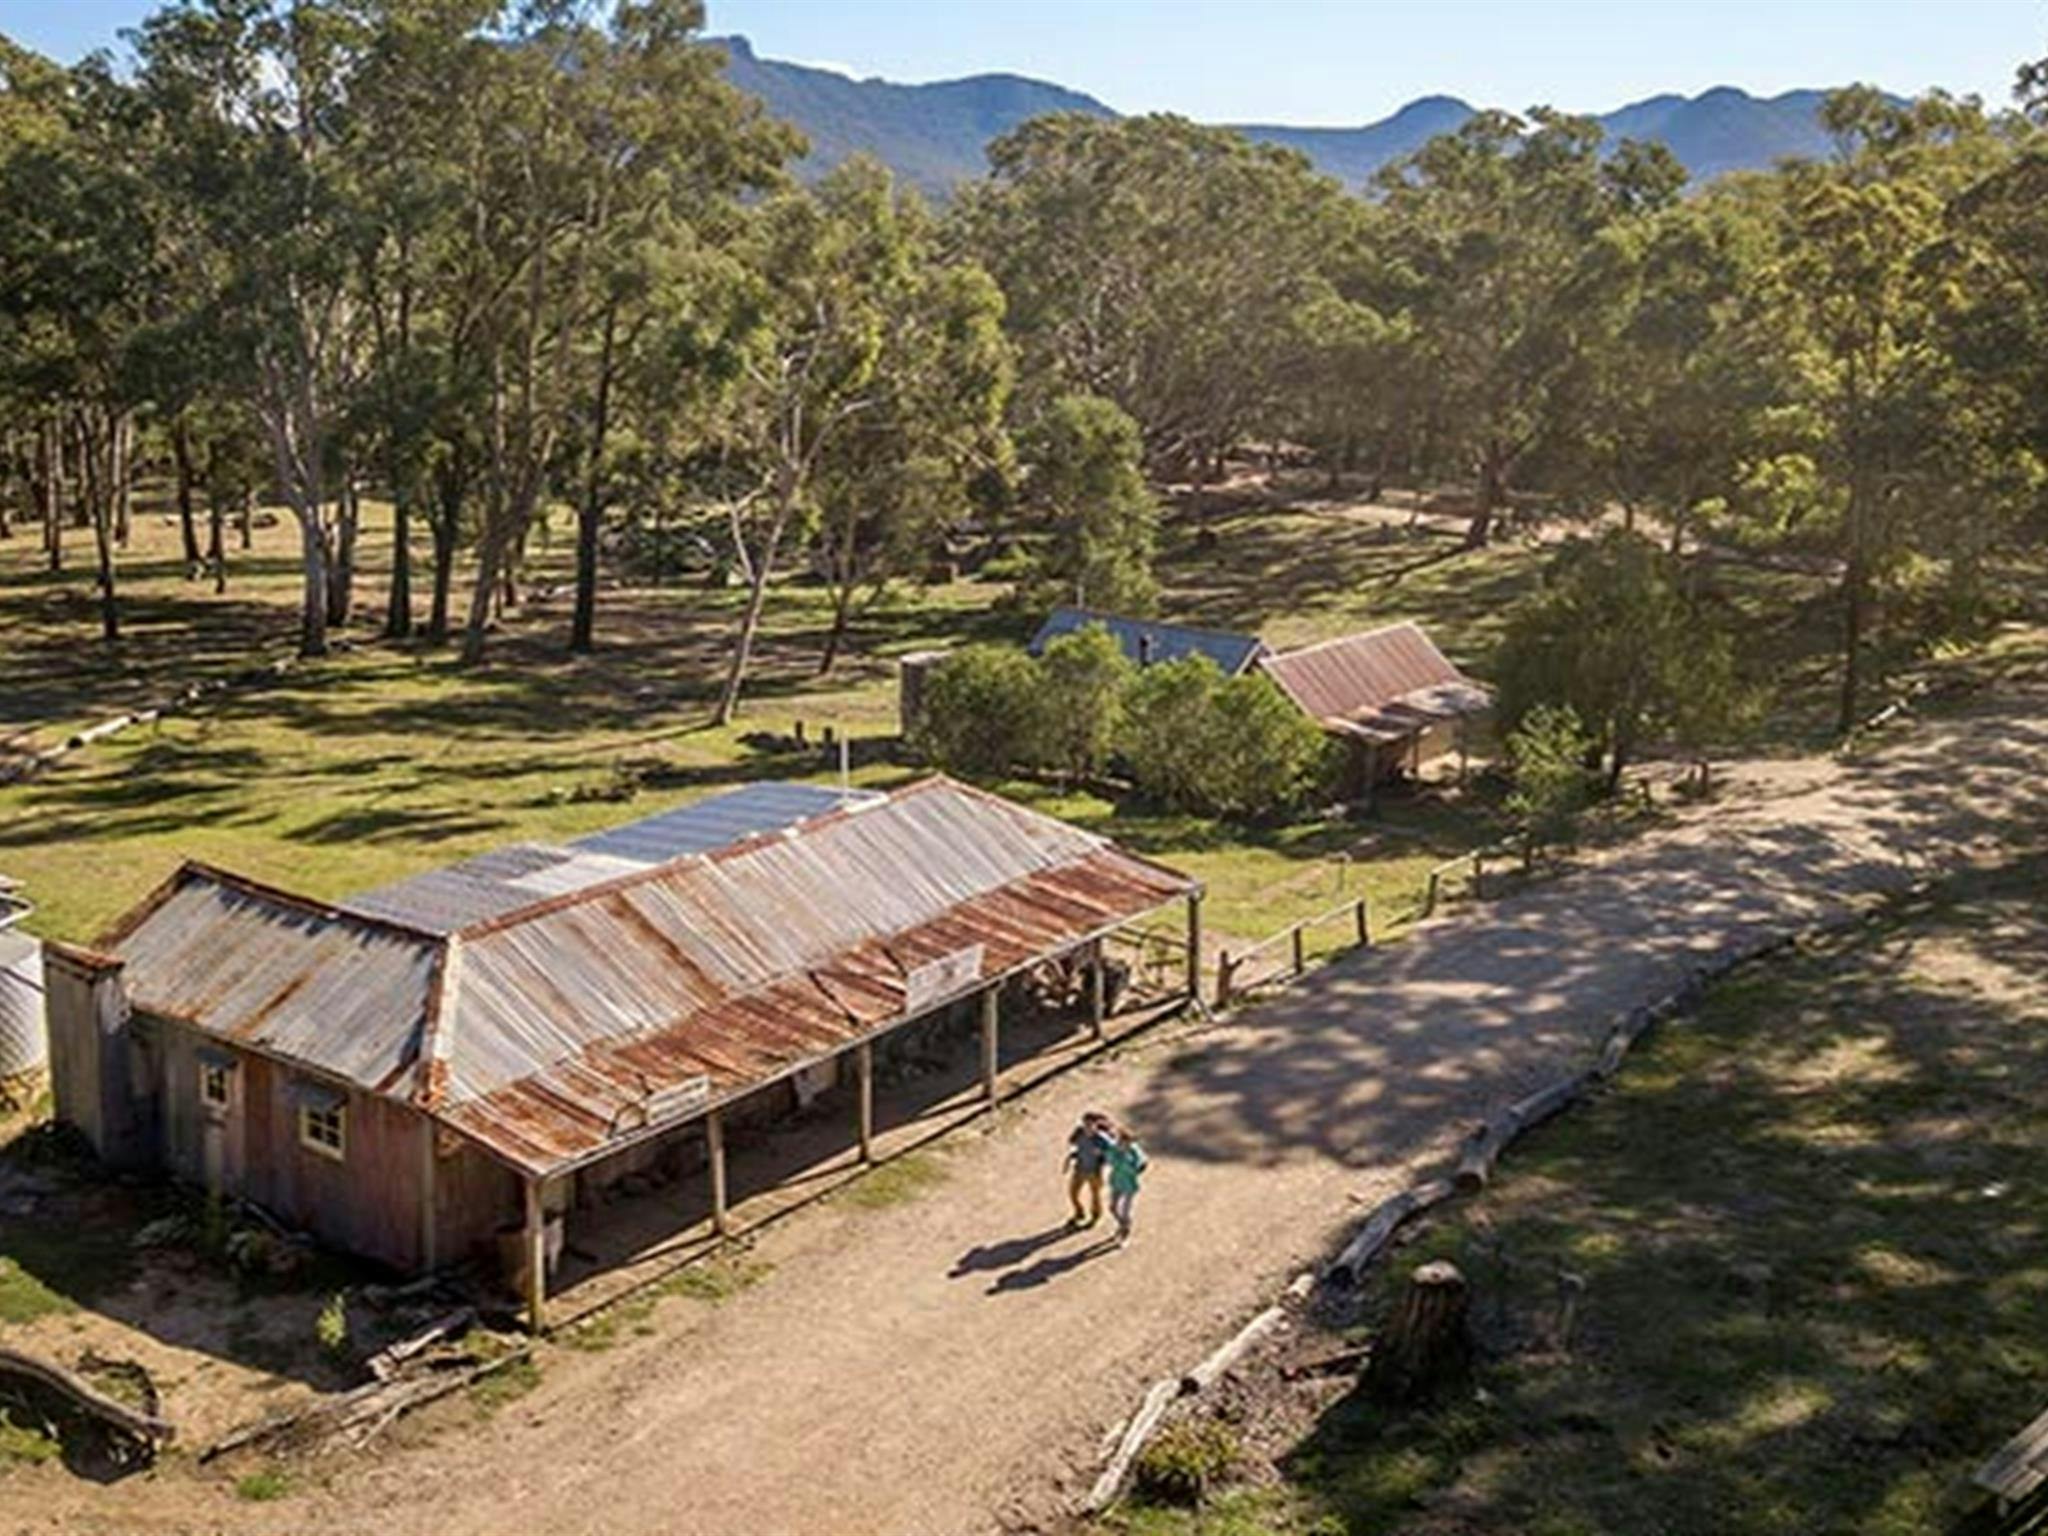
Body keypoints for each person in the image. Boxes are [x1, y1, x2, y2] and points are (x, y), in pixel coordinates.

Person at [1064, 1111, 1112, 1227]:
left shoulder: (1102, 1139)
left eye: (1090, 1124)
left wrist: (1103, 1156)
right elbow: (1073, 1143)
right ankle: (1079, 1212)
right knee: (1073, 1193)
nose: (1087, 1127)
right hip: (1079, 1168)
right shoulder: (1079, 1133)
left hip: (1095, 1171)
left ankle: (1095, 1217)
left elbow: (1112, 1152)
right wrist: (1072, 1155)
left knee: (1095, 1196)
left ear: (1096, 1125)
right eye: (1085, 1124)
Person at [1105, 1123, 1147, 1245]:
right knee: (1112, 1208)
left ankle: (1124, 1234)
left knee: (1125, 1211)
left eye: (1128, 1142)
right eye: (1123, 1142)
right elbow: (1109, 1160)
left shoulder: (1134, 1152)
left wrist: (1126, 1161)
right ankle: (1123, 1226)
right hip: (1116, 1182)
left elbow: (1139, 1166)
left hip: (1129, 1185)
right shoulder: (1114, 1148)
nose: (1125, 1145)